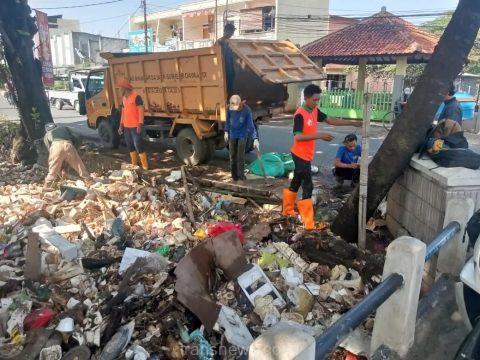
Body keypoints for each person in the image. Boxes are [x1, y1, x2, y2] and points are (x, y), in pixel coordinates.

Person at [282, 84, 362, 230]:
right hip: (300, 155)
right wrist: (320, 135)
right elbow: (298, 137)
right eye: (314, 100)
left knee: (297, 180)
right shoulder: (300, 114)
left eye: (318, 99)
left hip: (306, 154)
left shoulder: (314, 110)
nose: (316, 102)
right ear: (306, 98)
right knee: (308, 185)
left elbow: (330, 120)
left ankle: (287, 210)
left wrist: (352, 122)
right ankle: (308, 223)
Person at [224, 94, 259, 182]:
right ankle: (234, 175)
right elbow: (227, 121)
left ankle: (241, 174)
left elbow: (250, 125)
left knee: (240, 155)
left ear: (240, 103)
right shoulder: (229, 109)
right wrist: (226, 131)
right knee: (232, 155)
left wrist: (255, 138)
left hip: (242, 135)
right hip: (232, 134)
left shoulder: (246, 110)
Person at [117, 79, 149, 170]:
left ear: (125, 89)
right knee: (130, 145)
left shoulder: (136, 97)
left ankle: (145, 166)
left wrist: (140, 124)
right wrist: (121, 125)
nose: (119, 90)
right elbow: (123, 113)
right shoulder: (124, 99)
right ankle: (134, 164)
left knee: (138, 145)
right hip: (126, 126)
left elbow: (141, 111)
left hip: (135, 126)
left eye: (120, 88)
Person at [215, 23, 236, 98]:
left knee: (230, 89)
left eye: (232, 33)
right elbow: (216, 57)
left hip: (230, 70)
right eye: (231, 32)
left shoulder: (230, 43)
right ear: (226, 31)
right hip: (223, 70)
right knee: (225, 89)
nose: (232, 35)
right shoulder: (219, 42)